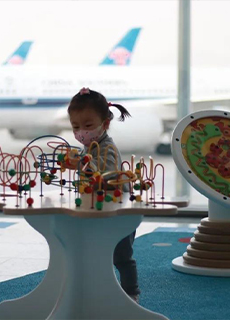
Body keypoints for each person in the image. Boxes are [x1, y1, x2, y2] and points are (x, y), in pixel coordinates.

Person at [67, 87, 140, 303]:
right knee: (98, 255)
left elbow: (104, 173)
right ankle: (103, 291)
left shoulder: (106, 148)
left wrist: (79, 164)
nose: (81, 132)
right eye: (75, 127)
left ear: (105, 124)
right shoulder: (88, 147)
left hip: (118, 212)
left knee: (122, 257)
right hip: (98, 209)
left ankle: (131, 294)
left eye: (88, 126)